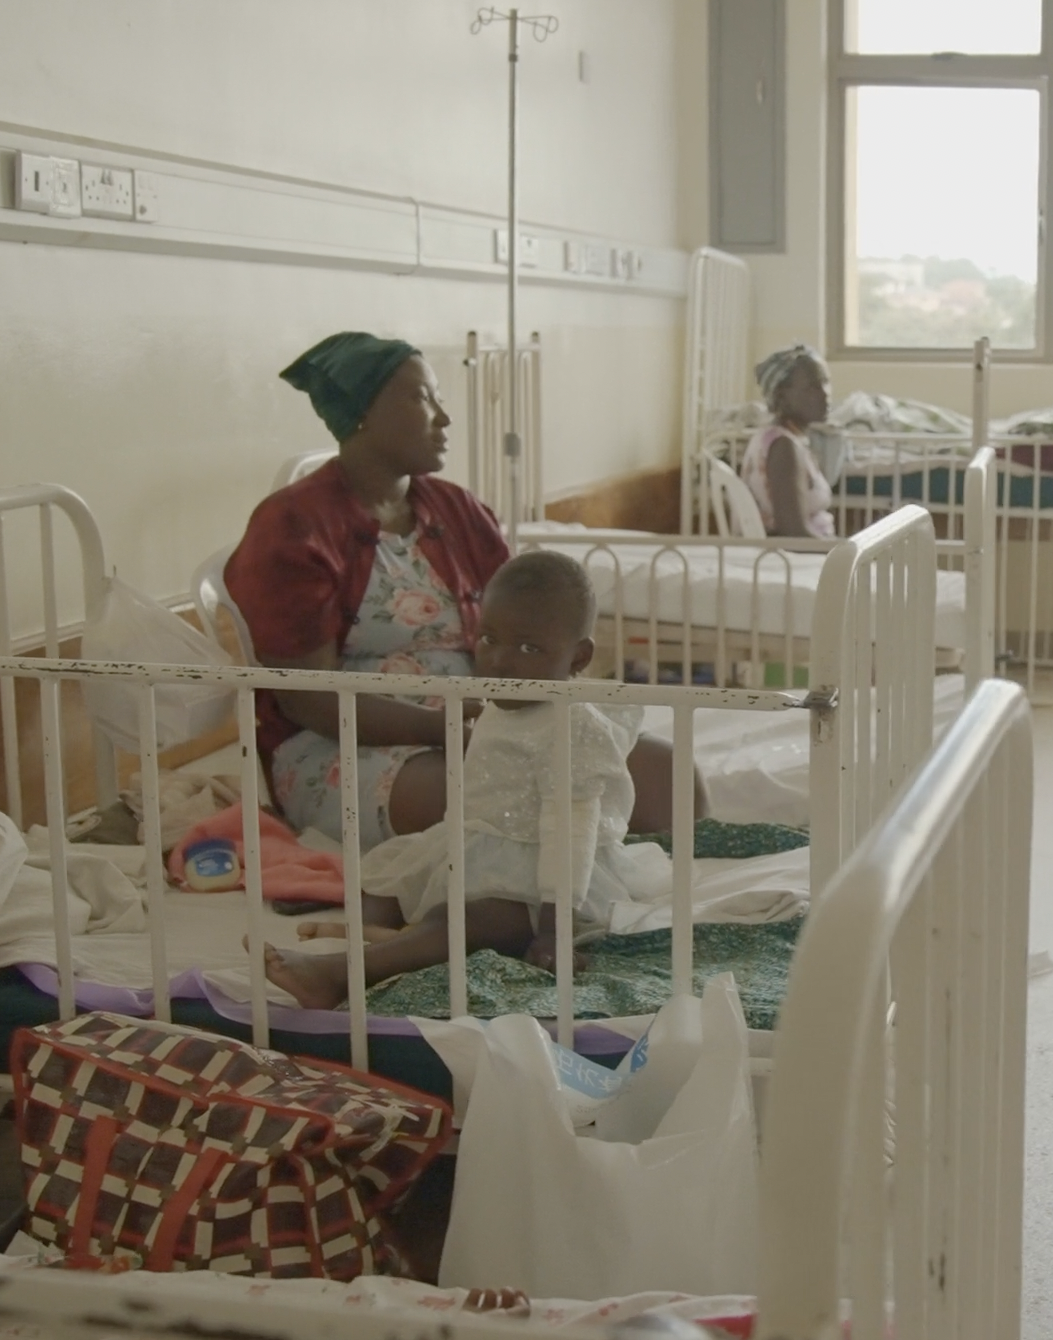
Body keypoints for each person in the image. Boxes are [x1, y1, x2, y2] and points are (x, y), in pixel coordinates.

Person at [264, 550, 701, 1010]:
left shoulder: (573, 726)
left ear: (579, 656)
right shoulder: (506, 697)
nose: (500, 661)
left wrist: (554, 932)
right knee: (386, 876)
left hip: (550, 875)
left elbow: (571, 830)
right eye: (489, 638)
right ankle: (394, 942)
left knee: (476, 920)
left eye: (529, 648)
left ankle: (344, 973)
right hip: (479, 843)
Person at [226, 333, 509, 849]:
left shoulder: (458, 510)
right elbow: (309, 701)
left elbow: (516, 629)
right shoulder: (292, 525)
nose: (443, 418)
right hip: (342, 747)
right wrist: (441, 729)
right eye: (422, 398)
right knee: (510, 794)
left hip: (473, 728)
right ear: (362, 412)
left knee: (661, 773)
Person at [739, 344, 838, 539]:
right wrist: (847, 554)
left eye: (826, 383)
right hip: (797, 561)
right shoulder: (783, 447)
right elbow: (794, 534)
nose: (825, 393)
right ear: (782, 395)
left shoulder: (788, 440)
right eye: (812, 386)